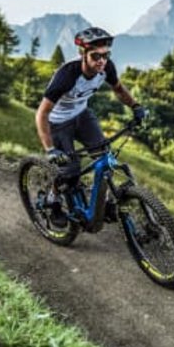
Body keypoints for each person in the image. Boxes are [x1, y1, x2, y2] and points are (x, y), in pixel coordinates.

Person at [36, 27, 147, 227]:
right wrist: (50, 149)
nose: (101, 61)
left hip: (82, 115)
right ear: (83, 55)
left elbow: (119, 89)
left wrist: (135, 106)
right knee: (70, 171)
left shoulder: (106, 68)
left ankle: (102, 205)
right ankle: (52, 199)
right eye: (96, 56)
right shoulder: (67, 75)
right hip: (58, 122)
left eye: (105, 55)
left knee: (106, 159)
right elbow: (42, 113)